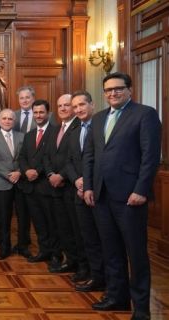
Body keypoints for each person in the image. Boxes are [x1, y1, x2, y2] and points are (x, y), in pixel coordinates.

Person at [83, 72, 161, 319]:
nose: (113, 93)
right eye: (108, 90)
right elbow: (90, 156)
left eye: (118, 89)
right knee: (111, 250)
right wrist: (88, 187)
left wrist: (141, 190)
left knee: (135, 253)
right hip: (101, 195)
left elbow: (150, 157)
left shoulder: (144, 114)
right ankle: (117, 297)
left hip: (130, 197)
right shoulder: (98, 119)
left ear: (129, 89)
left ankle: (141, 309)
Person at [64, 90, 105, 291]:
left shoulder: (102, 127)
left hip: (99, 192)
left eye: (82, 105)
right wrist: (77, 181)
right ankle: (93, 275)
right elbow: (69, 161)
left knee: (103, 237)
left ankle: (106, 278)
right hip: (79, 191)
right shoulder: (73, 133)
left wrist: (88, 183)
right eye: (75, 106)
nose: (78, 109)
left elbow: (103, 161)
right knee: (86, 237)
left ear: (92, 104)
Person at [44, 94, 85, 274]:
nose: (62, 109)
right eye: (59, 105)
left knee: (78, 229)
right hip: (55, 187)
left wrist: (61, 175)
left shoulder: (79, 127)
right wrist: (51, 174)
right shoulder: (54, 129)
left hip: (71, 185)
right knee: (63, 227)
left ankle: (83, 267)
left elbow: (73, 158)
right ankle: (71, 260)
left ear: (73, 108)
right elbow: (46, 155)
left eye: (66, 105)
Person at [19, 100, 60, 263]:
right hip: (30, 187)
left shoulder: (56, 132)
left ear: (48, 113)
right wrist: (26, 170)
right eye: (35, 113)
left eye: (41, 112)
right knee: (39, 222)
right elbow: (22, 157)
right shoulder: (29, 135)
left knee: (52, 222)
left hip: (46, 186)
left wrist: (37, 171)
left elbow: (51, 158)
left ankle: (56, 254)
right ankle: (44, 251)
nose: (38, 115)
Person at [0, 109, 26, 260]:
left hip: (21, 182)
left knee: (23, 217)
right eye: (4, 118)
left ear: (14, 121)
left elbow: (26, 157)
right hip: (2, 183)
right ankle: (4, 248)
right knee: (2, 218)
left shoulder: (22, 137)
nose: (7, 121)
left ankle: (23, 246)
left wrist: (19, 172)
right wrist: (9, 175)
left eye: (10, 119)